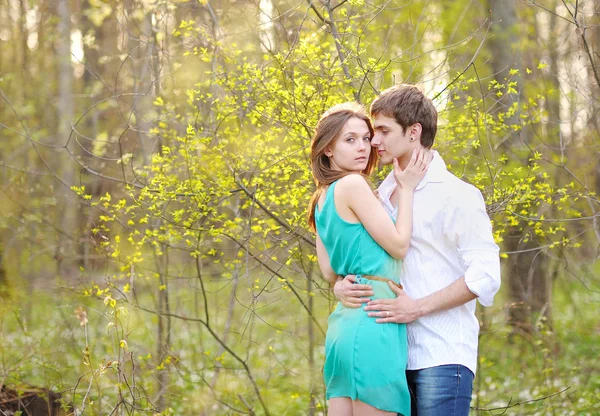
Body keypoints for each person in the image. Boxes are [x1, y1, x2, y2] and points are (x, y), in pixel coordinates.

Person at [334, 85, 502, 416]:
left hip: (441, 355)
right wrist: (341, 283)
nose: (374, 142)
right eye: (373, 130)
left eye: (383, 130)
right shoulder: (380, 194)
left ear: (414, 132)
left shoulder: (457, 194)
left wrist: (417, 308)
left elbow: (485, 275)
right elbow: (364, 258)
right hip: (388, 353)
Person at [307, 102, 430, 416]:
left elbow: (328, 271)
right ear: (328, 150)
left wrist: (339, 285)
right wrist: (406, 188)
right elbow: (399, 246)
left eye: (366, 138)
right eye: (350, 140)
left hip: (344, 326)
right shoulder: (353, 185)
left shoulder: (320, 199)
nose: (363, 147)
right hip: (375, 319)